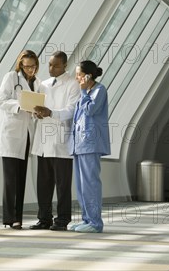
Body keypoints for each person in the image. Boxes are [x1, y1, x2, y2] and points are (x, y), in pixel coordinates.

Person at [29, 51, 80, 231]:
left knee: (62, 185)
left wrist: (50, 112)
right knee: (43, 183)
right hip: (43, 141)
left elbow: (71, 110)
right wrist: (36, 113)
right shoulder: (43, 85)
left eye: (56, 65)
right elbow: (36, 107)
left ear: (65, 65)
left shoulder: (73, 85)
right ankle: (44, 219)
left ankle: (62, 219)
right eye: (50, 64)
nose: (51, 68)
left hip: (61, 142)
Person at [0, 49, 40, 230]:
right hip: (11, 135)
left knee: (21, 178)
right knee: (10, 179)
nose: (30, 70)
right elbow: (0, 101)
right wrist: (20, 106)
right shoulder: (11, 78)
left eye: (33, 67)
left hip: (27, 135)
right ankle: (10, 217)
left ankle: (18, 218)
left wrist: (36, 111)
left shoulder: (36, 82)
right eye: (27, 66)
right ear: (21, 64)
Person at [69, 60, 111, 233]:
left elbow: (91, 110)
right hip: (79, 145)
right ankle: (86, 219)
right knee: (81, 185)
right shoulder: (85, 92)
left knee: (90, 183)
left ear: (88, 75)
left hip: (90, 143)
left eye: (79, 74)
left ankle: (95, 223)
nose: (77, 78)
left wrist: (84, 91)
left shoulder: (99, 90)